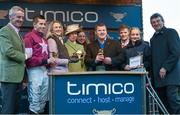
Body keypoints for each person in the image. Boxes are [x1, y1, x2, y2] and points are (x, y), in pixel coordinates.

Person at [24, 15, 55, 114]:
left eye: (44, 24)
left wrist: (50, 62)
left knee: (43, 100)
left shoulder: (44, 39)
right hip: (34, 70)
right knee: (35, 100)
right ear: (34, 24)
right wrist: (46, 61)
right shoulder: (28, 37)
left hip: (44, 70)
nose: (43, 26)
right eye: (40, 24)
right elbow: (28, 59)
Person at [150, 13, 180, 114]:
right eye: (153, 22)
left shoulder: (171, 32)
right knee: (161, 104)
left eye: (158, 21)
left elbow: (176, 52)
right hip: (158, 78)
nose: (156, 23)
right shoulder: (152, 39)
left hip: (170, 76)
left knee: (173, 101)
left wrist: (165, 67)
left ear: (163, 21)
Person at [0, 6, 26, 114]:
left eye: (22, 17)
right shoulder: (4, 31)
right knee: (8, 109)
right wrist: (25, 56)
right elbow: (8, 52)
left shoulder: (18, 33)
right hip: (9, 77)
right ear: (10, 17)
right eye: (18, 17)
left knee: (15, 109)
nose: (20, 19)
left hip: (18, 78)